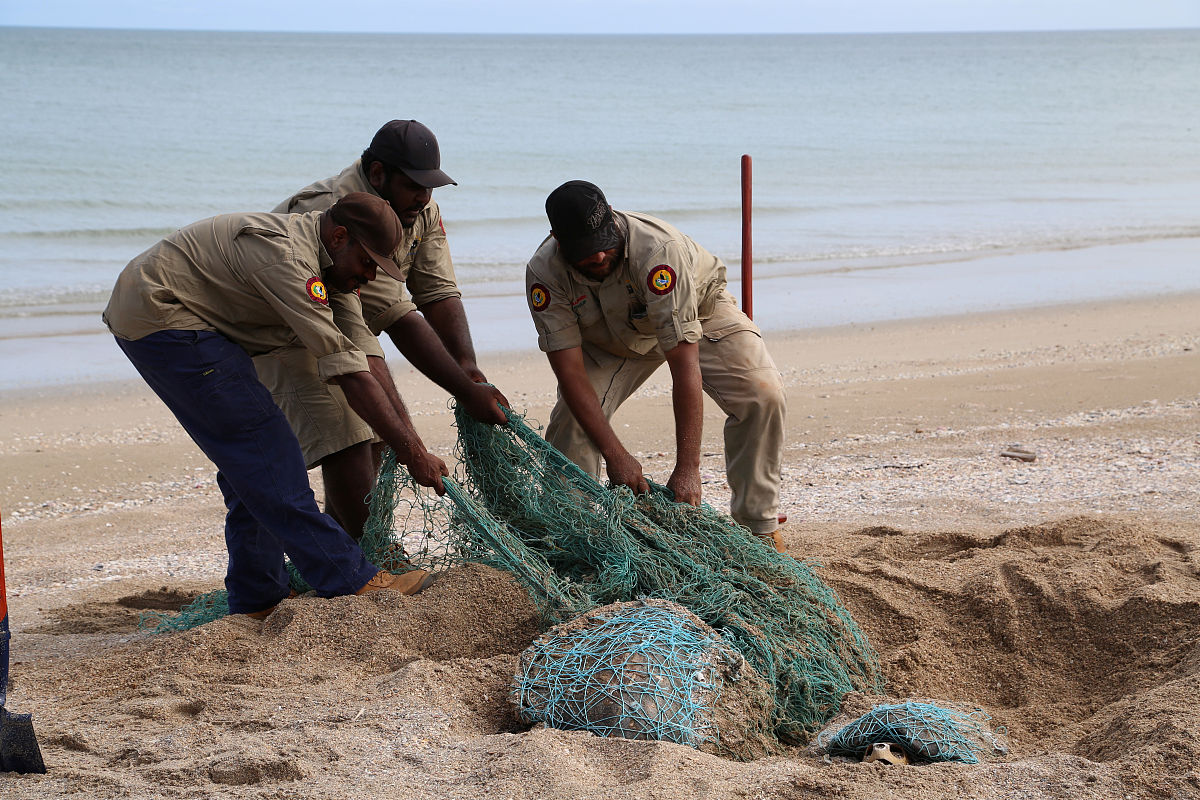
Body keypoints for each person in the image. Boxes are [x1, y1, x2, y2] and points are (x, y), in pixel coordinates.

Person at [103, 193, 446, 617]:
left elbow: (360, 356)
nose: (370, 276)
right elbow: (345, 370)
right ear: (339, 237)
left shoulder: (331, 266)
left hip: (187, 317)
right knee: (269, 452)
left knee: (250, 466)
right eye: (367, 262)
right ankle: (351, 579)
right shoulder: (287, 260)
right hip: (164, 316)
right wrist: (412, 453)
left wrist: (410, 442)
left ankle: (258, 597)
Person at [263, 120, 507, 542]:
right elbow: (394, 316)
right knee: (351, 432)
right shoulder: (341, 213)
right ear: (378, 174)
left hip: (338, 321)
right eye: (415, 185)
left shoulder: (417, 207)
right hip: (280, 330)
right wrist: (461, 396)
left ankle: (347, 553)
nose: (425, 197)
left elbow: (436, 291)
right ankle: (374, 555)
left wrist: (467, 368)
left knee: (376, 430)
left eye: (431, 186)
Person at [524, 180, 787, 550]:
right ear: (557, 239)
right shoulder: (544, 273)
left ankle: (758, 527)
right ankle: (571, 539)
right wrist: (616, 455)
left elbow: (684, 363)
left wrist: (688, 468)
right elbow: (570, 373)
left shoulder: (658, 251)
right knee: (572, 422)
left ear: (612, 218)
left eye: (603, 243)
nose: (597, 257)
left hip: (699, 313)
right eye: (584, 250)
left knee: (763, 395)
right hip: (612, 338)